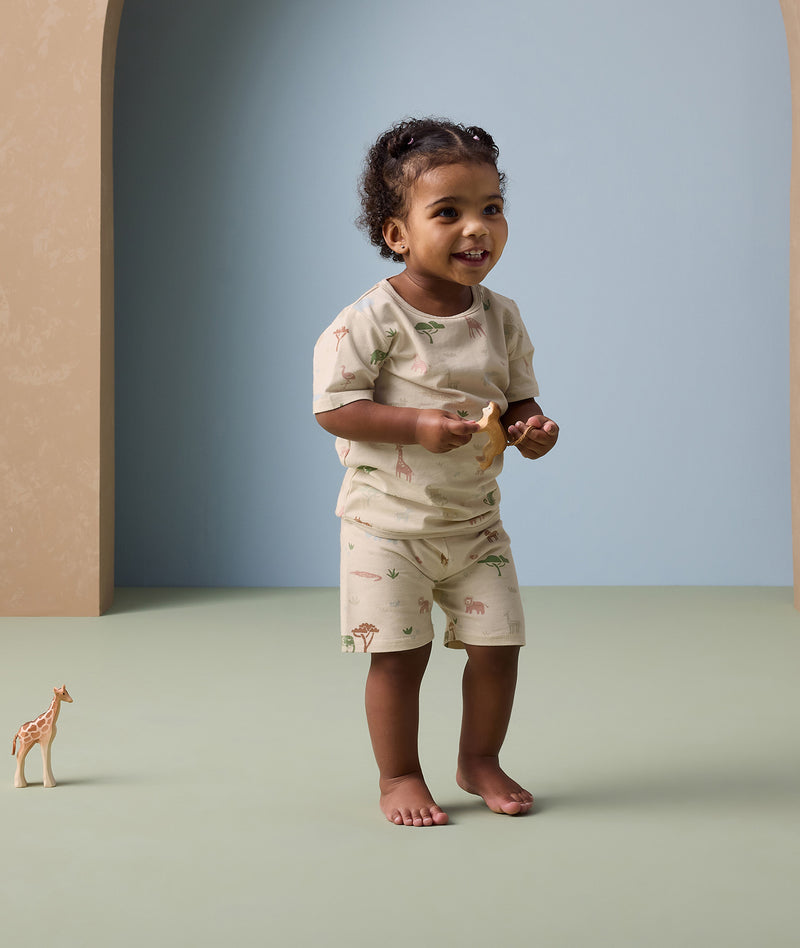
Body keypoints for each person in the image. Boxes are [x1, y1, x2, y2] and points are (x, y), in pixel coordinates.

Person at [313, 117, 559, 827]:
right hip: (385, 529)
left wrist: (530, 429)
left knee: (498, 647)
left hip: (475, 524)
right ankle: (399, 775)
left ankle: (478, 758)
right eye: (447, 212)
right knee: (399, 658)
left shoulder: (501, 318)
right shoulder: (369, 321)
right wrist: (418, 425)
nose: (475, 228)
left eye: (490, 208)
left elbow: (517, 398)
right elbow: (335, 408)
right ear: (397, 234)